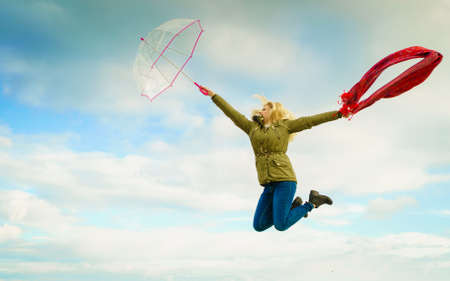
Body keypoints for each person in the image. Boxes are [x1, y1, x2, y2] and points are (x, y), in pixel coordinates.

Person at [200, 86, 343, 232]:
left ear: (273, 112)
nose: (261, 111)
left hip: (285, 180)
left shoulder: (285, 126)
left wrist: (339, 114)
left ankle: (312, 203)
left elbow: (310, 121)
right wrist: (213, 96)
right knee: (259, 225)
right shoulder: (252, 128)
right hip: (268, 184)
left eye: (264, 109)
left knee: (280, 225)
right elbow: (232, 114)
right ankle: (292, 207)